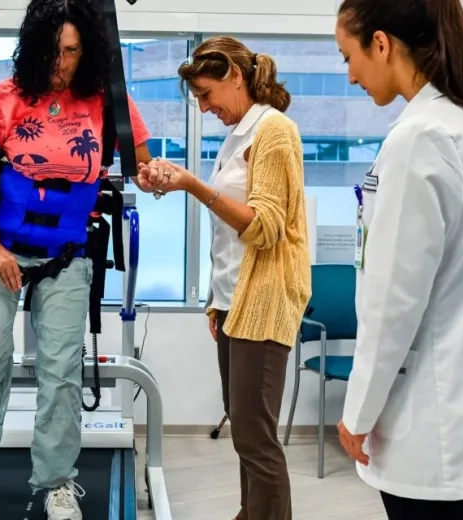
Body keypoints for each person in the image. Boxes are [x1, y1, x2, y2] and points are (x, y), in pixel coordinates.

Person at [0, 1, 161, 519]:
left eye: (74, 51)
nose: (62, 62)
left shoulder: (109, 102)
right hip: (0, 251)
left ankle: (57, 480)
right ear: (35, 47)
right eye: (54, 50)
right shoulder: (6, 98)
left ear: (89, 50)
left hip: (66, 254)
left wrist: (157, 178)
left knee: (61, 372)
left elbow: (142, 164)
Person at [333, 0, 463, 518]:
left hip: (432, 400)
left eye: (347, 56)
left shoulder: (421, 136)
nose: (351, 75)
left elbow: (394, 299)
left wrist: (357, 411)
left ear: (381, 43)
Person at [138, 36, 312, 520]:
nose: (204, 106)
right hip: (235, 303)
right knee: (244, 430)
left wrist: (192, 185)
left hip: (265, 301)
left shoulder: (274, 131)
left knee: (257, 438)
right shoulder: (238, 137)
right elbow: (229, 240)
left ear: (236, 76)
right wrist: (219, 303)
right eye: (197, 99)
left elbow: (265, 228)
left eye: (207, 94)